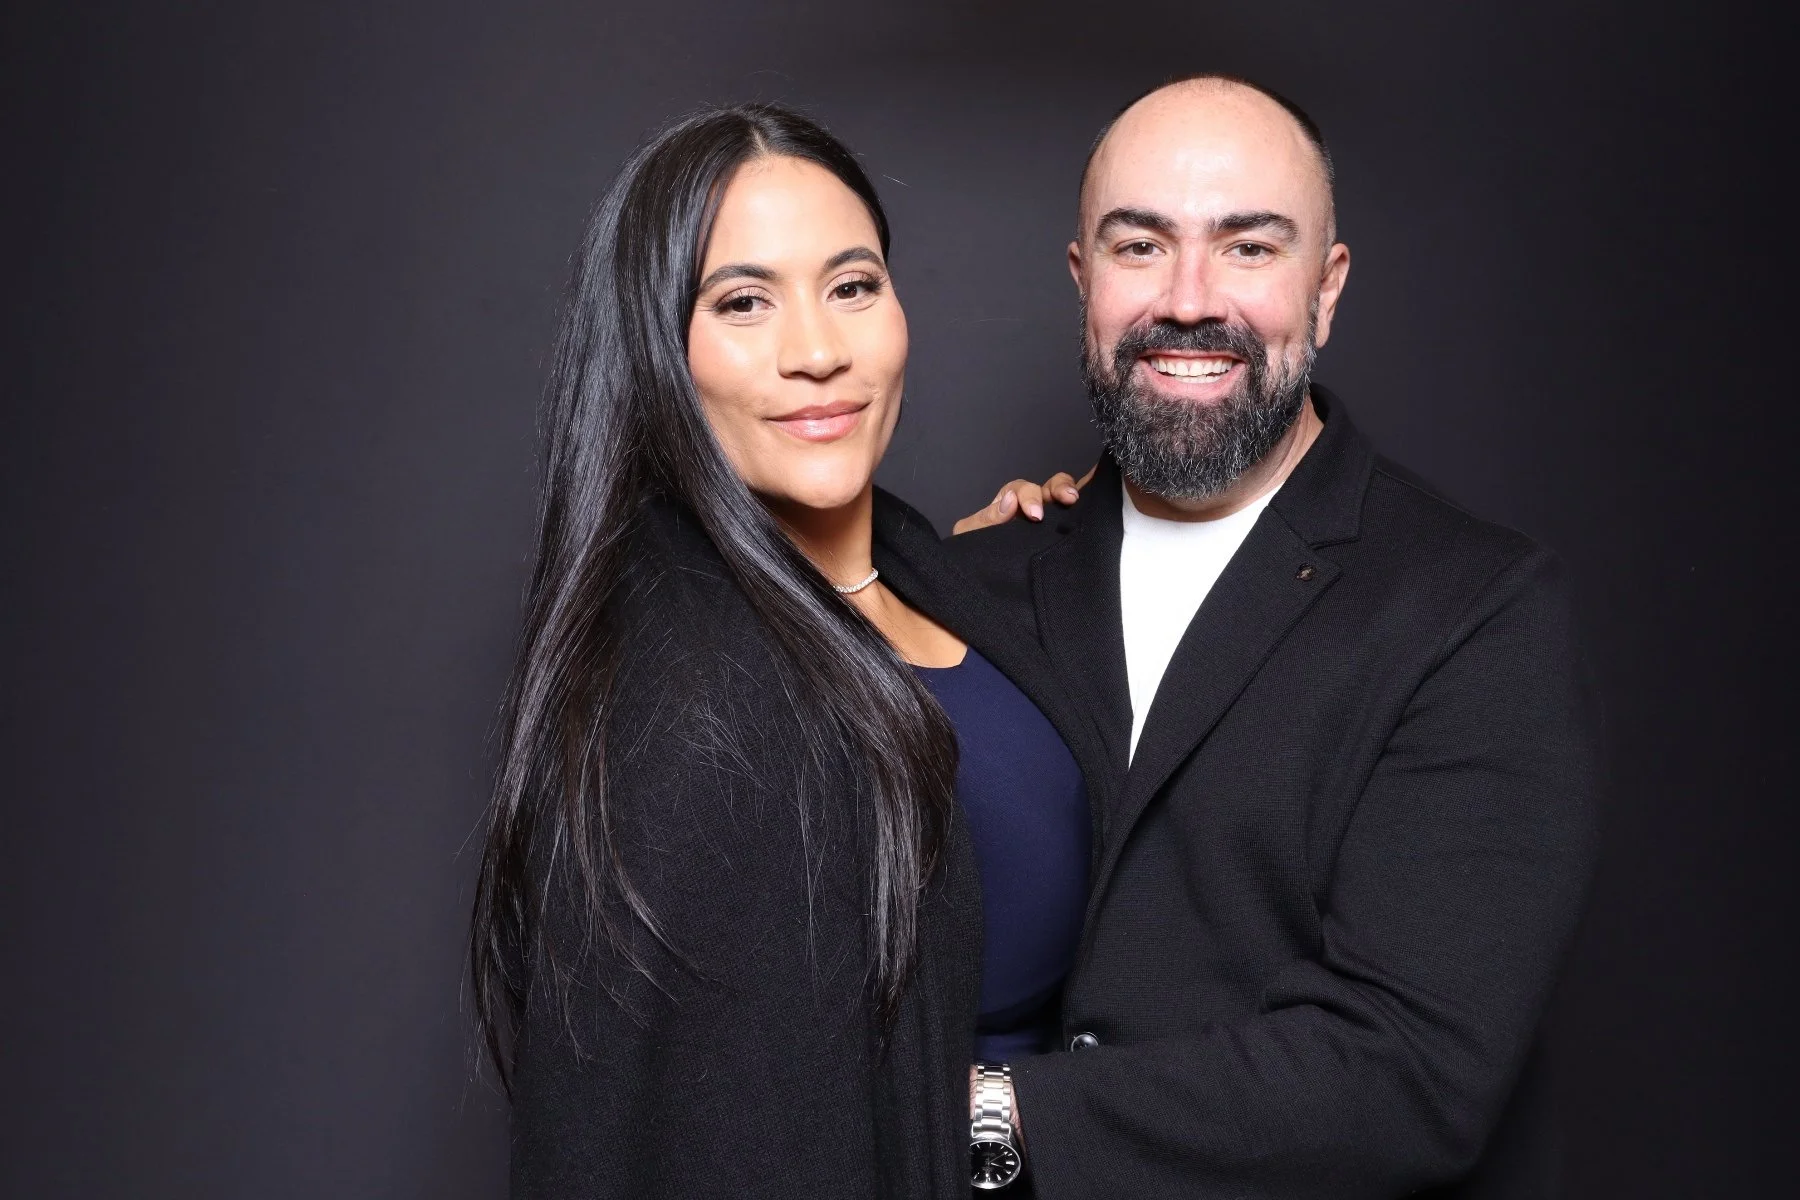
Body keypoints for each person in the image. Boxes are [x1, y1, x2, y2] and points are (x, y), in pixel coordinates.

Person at [949, 75, 1602, 1196]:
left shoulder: (1475, 610)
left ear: (1328, 288)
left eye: (1249, 248)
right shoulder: (978, 576)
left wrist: (977, 1120)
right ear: (1082, 280)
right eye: (1140, 246)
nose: (1189, 300)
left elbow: (1408, 1072)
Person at [467, 105, 1100, 1196]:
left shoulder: (962, 586)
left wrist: (1043, 573)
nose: (818, 352)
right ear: (660, 351)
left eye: (853, 285)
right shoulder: (693, 707)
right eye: (744, 302)